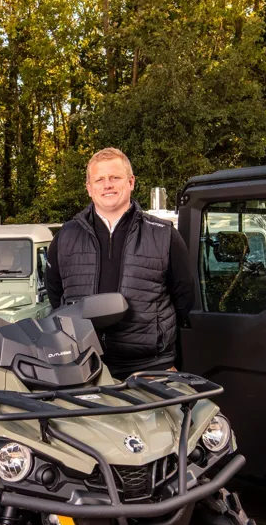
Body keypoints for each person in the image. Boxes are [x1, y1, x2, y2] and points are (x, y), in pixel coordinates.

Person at [45, 147, 194, 379]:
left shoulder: (164, 235)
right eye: (100, 179)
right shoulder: (65, 237)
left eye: (115, 177)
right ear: (89, 188)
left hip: (150, 367)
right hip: (83, 366)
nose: (108, 185)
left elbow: (184, 298)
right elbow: (56, 296)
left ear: (131, 182)